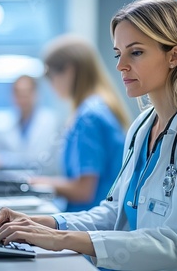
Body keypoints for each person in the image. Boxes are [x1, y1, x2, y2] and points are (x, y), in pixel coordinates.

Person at [0, 0, 177, 270]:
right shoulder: (143, 127)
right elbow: (115, 212)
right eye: (119, 54)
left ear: (174, 55)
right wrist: (41, 222)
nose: (121, 66)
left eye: (136, 52)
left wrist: (60, 240)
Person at [30, 34, 131, 212]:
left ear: (69, 70)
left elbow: (84, 191)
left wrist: (39, 183)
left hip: (91, 223)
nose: (51, 85)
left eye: (50, 76)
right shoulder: (100, 106)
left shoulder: (88, 117)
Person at [0, 75, 62, 175]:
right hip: (13, 182)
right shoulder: (8, 123)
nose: (23, 98)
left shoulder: (49, 121)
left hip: (43, 181)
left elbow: (39, 159)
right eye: (18, 93)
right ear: (12, 96)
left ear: (36, 94)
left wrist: (3, 160)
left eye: (26, 93)